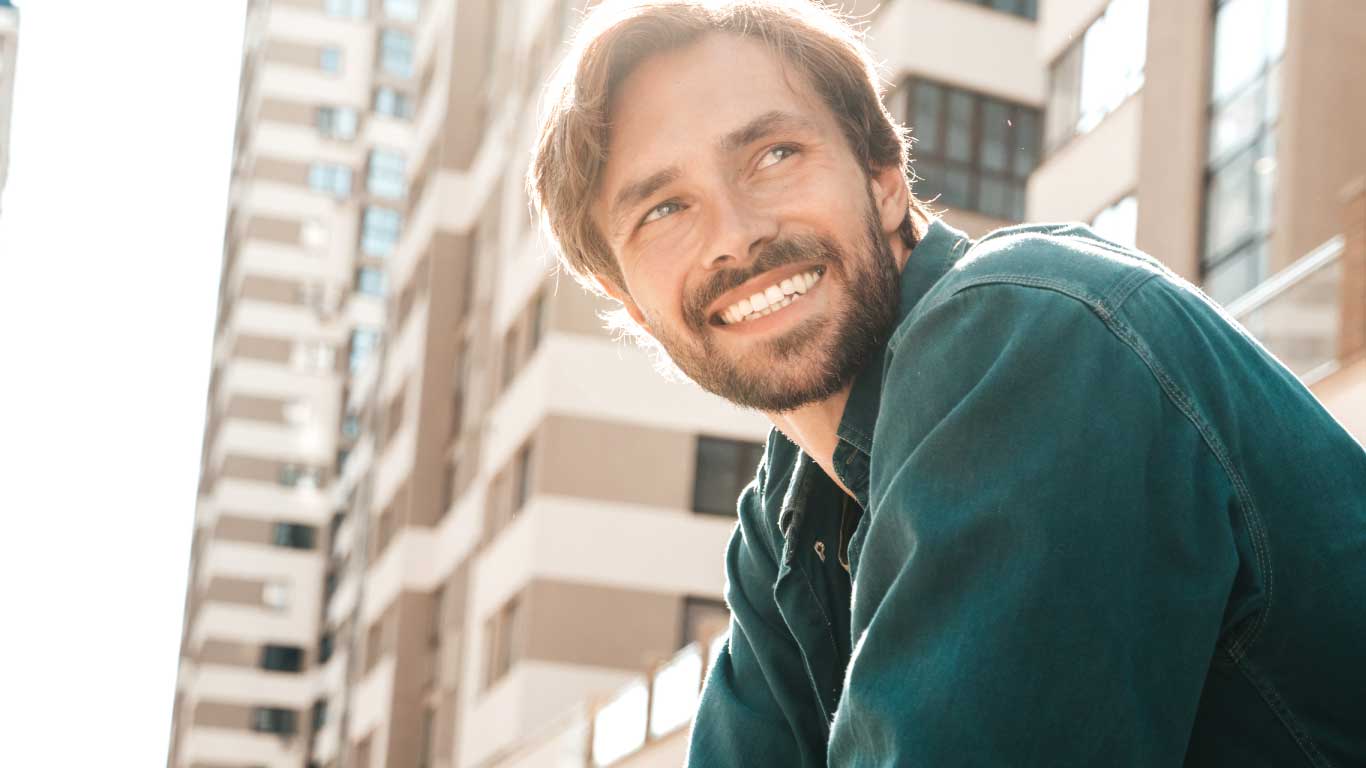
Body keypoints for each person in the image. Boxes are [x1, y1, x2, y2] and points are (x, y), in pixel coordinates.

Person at [528, 1, 1366, 765]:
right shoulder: (786, 519)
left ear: (884, 175)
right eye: (663, 210)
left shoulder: (1029, 337)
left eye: (773, 154)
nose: (736, 237)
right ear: (631, 306)